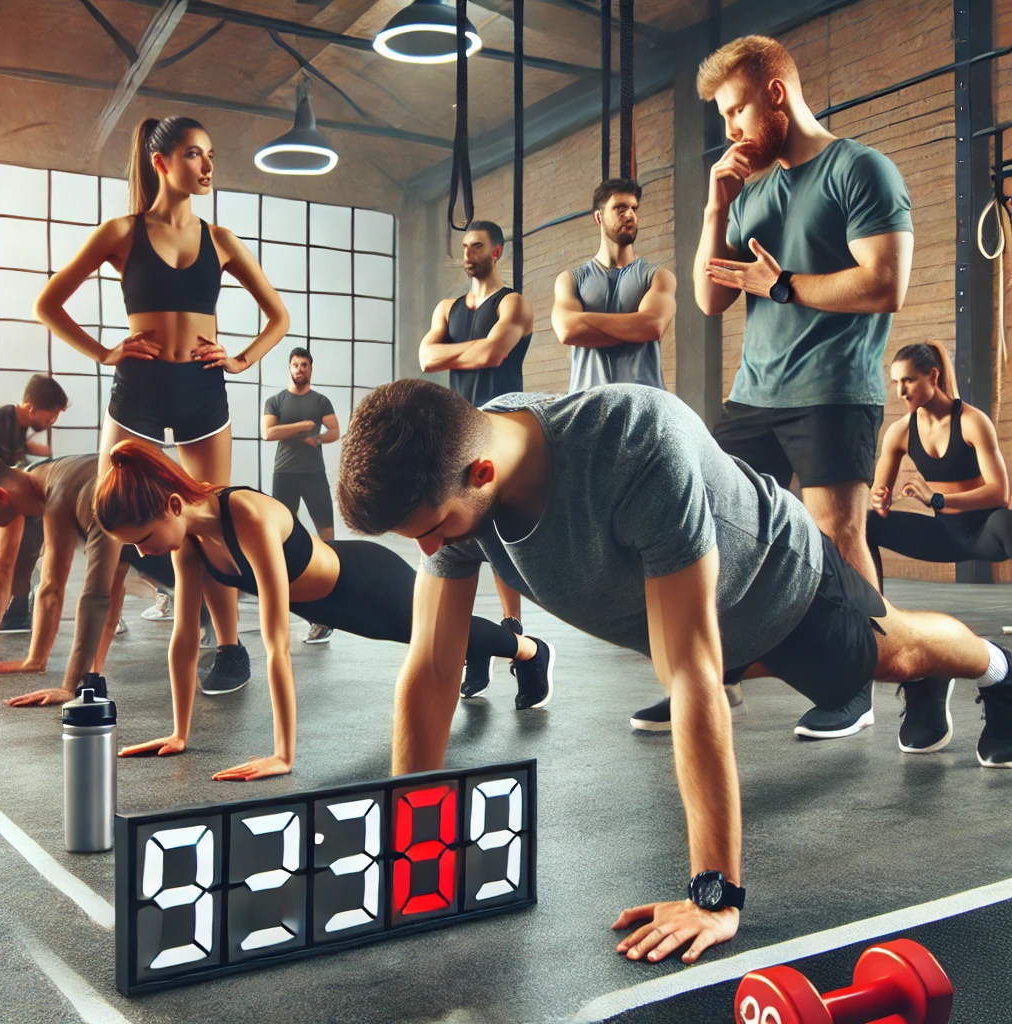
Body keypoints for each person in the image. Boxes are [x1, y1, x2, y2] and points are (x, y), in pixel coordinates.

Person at [335, 379, 1012, 964]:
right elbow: (429, 670)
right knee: (731, 666)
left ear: (480, 474)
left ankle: (997, 670)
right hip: (699, 621)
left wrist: (713, 897)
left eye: (433, 528)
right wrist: (411, 844)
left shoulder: (631, 445)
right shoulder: (463, 468)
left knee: (898, 654)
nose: (429, 549)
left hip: (783, 589)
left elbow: (694, 675)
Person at [630, 34, 915, 740]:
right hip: (756, 392)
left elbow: (885, 283)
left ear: (777, 96)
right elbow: (709, 299)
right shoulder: (752, 191)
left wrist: (783, 284)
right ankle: (711, 680)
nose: (730, 130)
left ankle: (861, 681)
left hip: (833, 390)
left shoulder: (861, 170)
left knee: (838, 535)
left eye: (736, 111)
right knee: (712, 532)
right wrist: (715, 209)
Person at [93, 440, 555, 781]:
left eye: (143, 538)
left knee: (431, 635)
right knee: (435, 637)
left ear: (173, 505)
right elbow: (186, 640)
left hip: (365, 585)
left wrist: (283, 755)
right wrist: (178, 734)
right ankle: (480, 651)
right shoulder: (187, 542)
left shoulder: (247, 517)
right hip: (329, 606)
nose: (143, 552)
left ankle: (529, 651)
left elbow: (276, 644)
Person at [33, 115, 291, 693]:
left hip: (203, 394)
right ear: (162, 162)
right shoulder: (120, 233)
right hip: (138, 395)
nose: (207, 166)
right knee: (115, 525)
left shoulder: (220, 240)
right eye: (196, 155)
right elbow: (48, 303)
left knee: (211, 522)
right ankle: (88, 672)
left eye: (210, 156)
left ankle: (229, 650)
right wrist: (103, 351)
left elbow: (279, 317)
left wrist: (243, 359)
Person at [866, 342, 1012, 753]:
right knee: (867, 524)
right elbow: (881, 489)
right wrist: (881, 498)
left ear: (932, 376)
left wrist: (937, 500)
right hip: (943, 534)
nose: (901, 391)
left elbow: (1000, 492)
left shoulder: (971, 422)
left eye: (909, 380)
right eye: (896, 382)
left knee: (1009, 521)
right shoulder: (899, 432)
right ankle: (876, 620)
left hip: (985, 530)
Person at [418, 220, 535, 693]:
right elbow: (426, 358)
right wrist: (472, 350)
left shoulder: (513, 303)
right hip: (456, 433)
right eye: (464, 246)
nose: (468, 253)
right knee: (452, 540)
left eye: (477, 246)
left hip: (500, 430)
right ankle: (475, 646)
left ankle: (512, 631)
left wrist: (454, 352)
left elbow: (493, 354)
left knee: (497, 537)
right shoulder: (446, 306)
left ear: (497, 252)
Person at [0, 453, 192, 706]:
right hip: (155, 524)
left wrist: (70, 685)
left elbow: (85, 593)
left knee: (203, 590)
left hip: (171, 528)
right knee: (119, 575)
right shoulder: (39, 478)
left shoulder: (59, 494)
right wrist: (35, 661)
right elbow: (2, 571)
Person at [551, 179, 676, 393]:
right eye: (620, 208)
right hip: (587, 403)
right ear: (599, 218)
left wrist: (584, 322)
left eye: (634, 209)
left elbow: (652, 326)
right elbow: (567, 330)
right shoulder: (570, 279)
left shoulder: (658, 276)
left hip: (643, 403)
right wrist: (633, 327)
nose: (630, 215)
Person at [263, 346, 340, 645]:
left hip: (313, 475)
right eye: (295, 365)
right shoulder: (276, 401)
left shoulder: (320, 400)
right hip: (285, 474)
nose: (299, 369)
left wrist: (318, 437)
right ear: (289, 368)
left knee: (327, 536)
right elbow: (268, 433)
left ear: (310, 368)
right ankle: (288, 593)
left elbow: (334, 430)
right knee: (281, 537)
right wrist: (303, 427)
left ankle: (331, 595)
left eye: (304, 365)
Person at [0, 375, 70, 634]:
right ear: (30, 407)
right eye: (51, 414)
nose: (53, 421)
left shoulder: (16, 426)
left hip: (4, 501)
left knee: (29, 537)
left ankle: (15, 611)